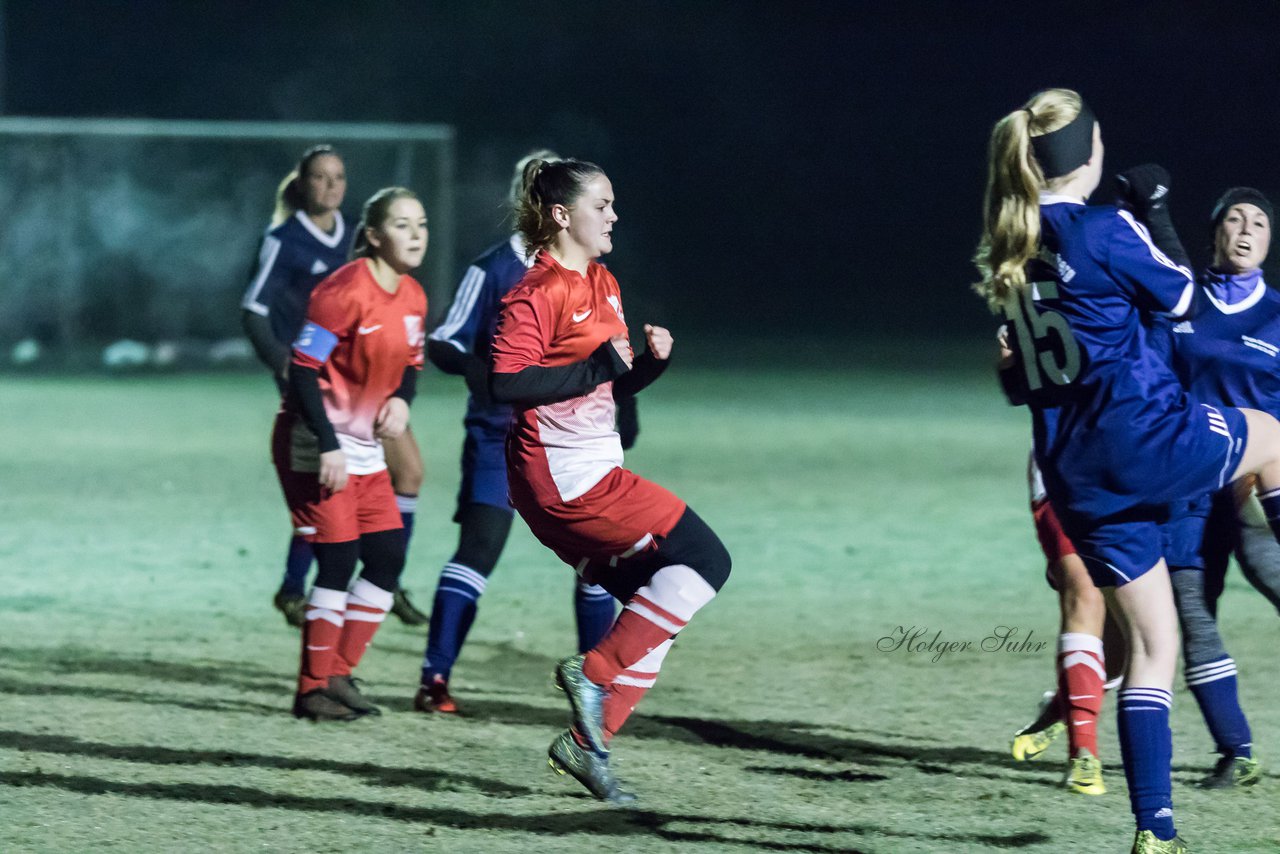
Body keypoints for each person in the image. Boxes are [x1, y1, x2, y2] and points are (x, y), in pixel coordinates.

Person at [975, 88, 1280, 854]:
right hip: (1146, 438)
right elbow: (1185, 300)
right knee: (1273, 436)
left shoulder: (1013, 247)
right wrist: (1153, 216)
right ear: (1090, 152)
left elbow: (1020, 383)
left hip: (1076, 477)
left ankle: (1156, 832)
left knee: (1154, 645)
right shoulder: (1106, 229)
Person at [488, 158, 731, 803]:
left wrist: (650, 366)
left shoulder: (604, 282)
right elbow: (505, 383)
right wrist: (597, 368)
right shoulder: (534, 294)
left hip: (594, 466)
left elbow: (609, 382)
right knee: (707, 558)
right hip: (562, 480)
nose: (614, 215)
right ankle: (592, 673)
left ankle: (586, 745)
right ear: (563, 216)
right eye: (602, 204)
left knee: (665, 597)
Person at [412, 151, 620, 715]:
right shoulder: (492, 270)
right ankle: (435, 680)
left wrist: (625, 404)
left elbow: (606, 352)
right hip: (500, 439)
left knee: (598, 560)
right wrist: (488, 378)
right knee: (478, 549)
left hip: (572, 442)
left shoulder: (590, 274)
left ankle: (593, 688)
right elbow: (445, 342)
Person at [241, 145, 428, 628]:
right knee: (331, 486)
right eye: (320, 178)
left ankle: (383, 576)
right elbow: (254, 309)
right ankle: (306, 587)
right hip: (320, 382)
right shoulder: (284, 240)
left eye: (339, 177)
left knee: (407, 473)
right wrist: (284, 364)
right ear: (302, 184)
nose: (330, 186)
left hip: (369, 381)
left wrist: (400, 391)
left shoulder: (357, 236)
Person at [273, 187, 428, 720]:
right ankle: (311, 690)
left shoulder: (413, 296)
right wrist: (330, 444)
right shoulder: (343, 291)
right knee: (338, 559)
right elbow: (303, 370)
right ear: (373, 235)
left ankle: (337, 674)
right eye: (403, 225)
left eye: (421, 225)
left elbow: (410, 364)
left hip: (362, 447)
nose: (416, 236)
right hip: (315, 442)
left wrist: (403, 403)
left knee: (386, 557)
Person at [1145, 186, 1278, 788]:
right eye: (1235, 219)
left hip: (1255, 490)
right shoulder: (1181, 301)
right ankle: (1237, 751)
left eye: (1260, 222)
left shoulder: (1278, 315)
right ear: (1215, 232)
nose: (1248, 230)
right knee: (1193, 614)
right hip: (1186, 489)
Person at [1008, 456, 1125, 797]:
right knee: (1085, 595)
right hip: (1067, 470)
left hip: (1137, 471)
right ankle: (1084, 755)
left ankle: (1063, 707)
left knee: (1126, 648)